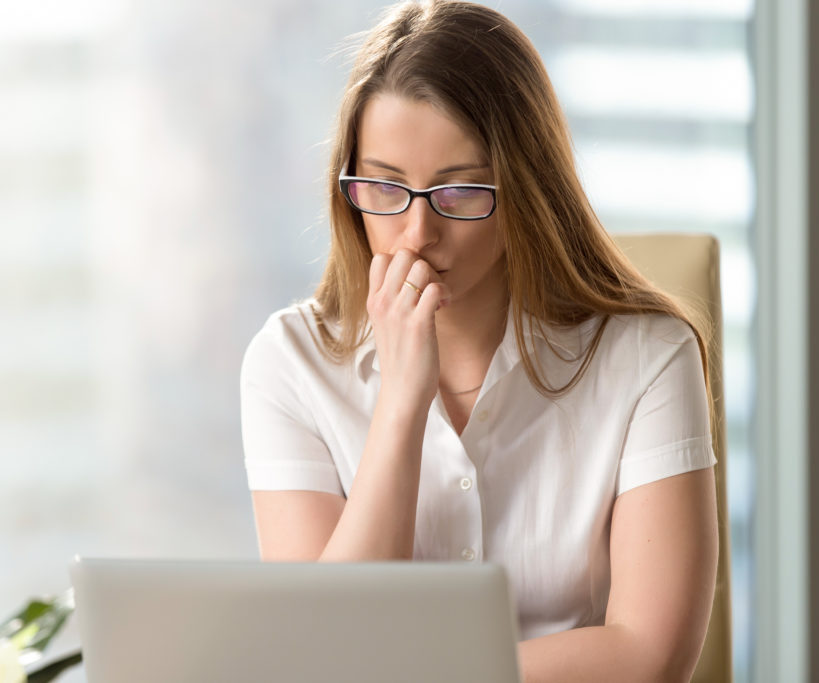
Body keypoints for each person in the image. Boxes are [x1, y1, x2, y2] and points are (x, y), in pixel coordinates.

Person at [241, 1, 719, 680]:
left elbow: (649, 655)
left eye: (459, 192)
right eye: (384, 186)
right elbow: (324, 653)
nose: (416, 234)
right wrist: (402, 404)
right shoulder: (287, 365)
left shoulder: (646, 357)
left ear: (525, 187)